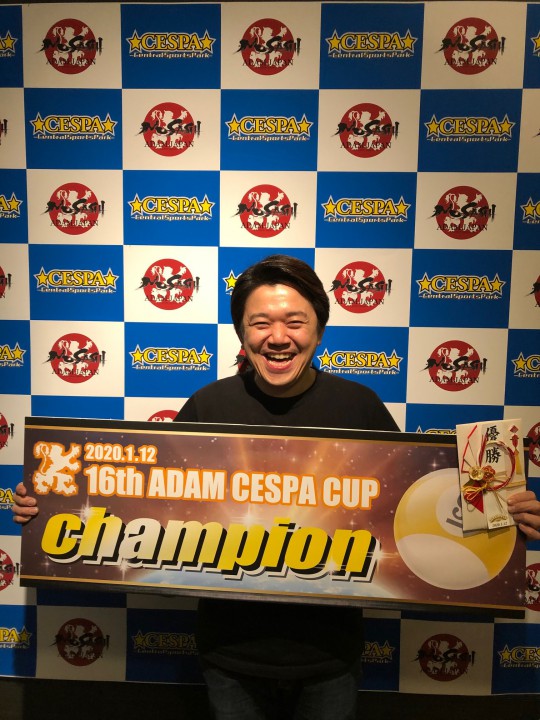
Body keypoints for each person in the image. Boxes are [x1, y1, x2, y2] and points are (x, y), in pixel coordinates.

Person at [11, 254, 540, 719]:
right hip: (229, 654)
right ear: (242, 333)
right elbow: (138, 502)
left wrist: (504, 516)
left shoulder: (359, 407)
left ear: (320, 330)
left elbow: (411, 508)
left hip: (331, 656)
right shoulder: (208, 407)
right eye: (260, 322)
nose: (278, 337)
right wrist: (49, 507)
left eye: (295, 321)